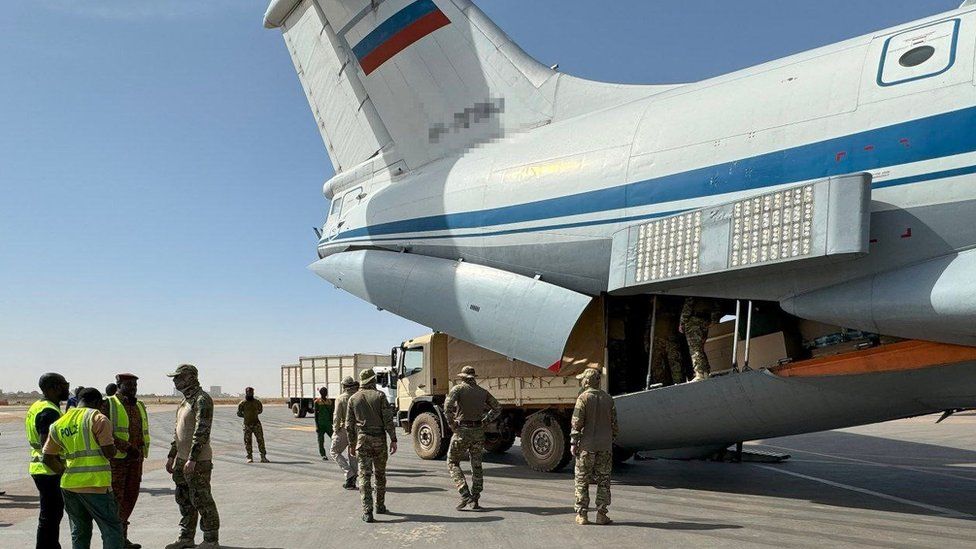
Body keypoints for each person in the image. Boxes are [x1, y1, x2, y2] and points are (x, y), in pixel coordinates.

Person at [42, 387, 124, 548]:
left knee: (80, 530)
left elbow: (47, 458)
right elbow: (108, 452)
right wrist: (116, 449)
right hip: (96, 485)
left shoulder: (59, 423)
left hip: (70, 485)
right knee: (111, 529)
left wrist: (65, 472)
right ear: (97, 402)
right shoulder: (98, 418)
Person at [165, 364, 220, 549]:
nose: (175, 380)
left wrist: (193, 458)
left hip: (197, 460)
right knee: (184, 500)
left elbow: (202, 430)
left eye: (178, 377)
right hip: (182, 459)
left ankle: (211, 539)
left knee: (202, 499)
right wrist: (172, 455)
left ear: (190, 377)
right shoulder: (185, 401)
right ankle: (186, 537)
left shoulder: (202, 399)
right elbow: (178, 432)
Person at [102, 373, 150, 549]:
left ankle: (122, 538)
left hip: (136, 461)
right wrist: (126, 447)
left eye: (135, 386)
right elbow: (104, 432)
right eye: (129, 385)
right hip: (118, 462)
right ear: (119, 384)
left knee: (130, 497)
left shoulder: (139, 405)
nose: (133, 388)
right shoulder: (108, 404)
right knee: (116, 500)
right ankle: (114, 541)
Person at [443, 366, 500, 510]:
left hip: (462, 431)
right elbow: (497, 408)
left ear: (462, 377)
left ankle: (464, 494)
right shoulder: (482, 392)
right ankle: (475, 499)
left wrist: (452, 424)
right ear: (474, 377)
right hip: (478, 432)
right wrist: (485, 421)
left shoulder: (458, 389)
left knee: (452, 462)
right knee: (477, 465)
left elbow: (447, 407)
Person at [26, 372, 70, 549]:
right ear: (55, 387)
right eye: (65, 384)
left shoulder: (37, 406)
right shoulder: (49, 411)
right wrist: (62, 471)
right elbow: (47, 450)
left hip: (40, 469)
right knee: (50, 517)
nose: (68, 388)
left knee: (50, 516)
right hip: (49, 471)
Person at [347, 369, 397, 523]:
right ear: (372, 381)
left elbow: (349, 424)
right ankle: (380, 505)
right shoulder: (380, 396)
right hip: (379, 441)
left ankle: (367, 512)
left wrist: (351, 443)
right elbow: (388, 420)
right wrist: (393, 439)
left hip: (362, 440)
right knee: (380, 475)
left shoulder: (353, 399)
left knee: (364, 476)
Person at [570, 368, 618, 526]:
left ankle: (582, 515)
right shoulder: (608, 399)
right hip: (605, 447)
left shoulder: (583, 398)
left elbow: (577, 423)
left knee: (582, 480)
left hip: (586, 447)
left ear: (586, 381)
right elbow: (614, 425)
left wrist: (573, 443)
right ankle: (601, 515)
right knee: (603, 481)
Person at [679, 297, 725, 381]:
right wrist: (714, 320)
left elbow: (688, 304)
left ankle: (700, 374)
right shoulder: (710, 292)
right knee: (700, 348)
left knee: (695, 348)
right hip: (705, 321)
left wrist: (682, 322)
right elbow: (717, 305)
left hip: (694, 321)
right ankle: (706, 372)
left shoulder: (693, 291)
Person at [330, 376, 359, 490]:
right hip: (356, 429)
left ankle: (349, 473)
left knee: (334, 451)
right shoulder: (358, 397)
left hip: (344, 429)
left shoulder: (341, 398)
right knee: (352, 455)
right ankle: (352, 479)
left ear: (344, 386)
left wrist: (335, 429)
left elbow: (336, 416)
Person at [236, 387, 268, 463]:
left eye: (251, 392)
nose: (250, 393)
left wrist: (254, 414)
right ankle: (249, 457)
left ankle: (263, 457)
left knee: (260, 440)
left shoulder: (257, 402)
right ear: (246, 393)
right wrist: (246, 416)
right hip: (247, 425)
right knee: (248, 441)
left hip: (256, 424)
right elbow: (238, 413)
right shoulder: (242, 403)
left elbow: (260, 410)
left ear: (253, 393)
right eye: (248, 392)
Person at [314, 387, 333, 461]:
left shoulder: (330, 402)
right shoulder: (317, 402)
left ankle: (334, 453)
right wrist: (317, 426)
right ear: (321, 393)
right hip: (320, 424)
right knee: (321, 441)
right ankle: (323, 454)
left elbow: (331, 413)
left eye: (326, 392)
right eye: (324, 392)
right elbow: (316, 415)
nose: (325, 393)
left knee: (334, 439)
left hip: (328, 424)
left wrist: (332, 423)